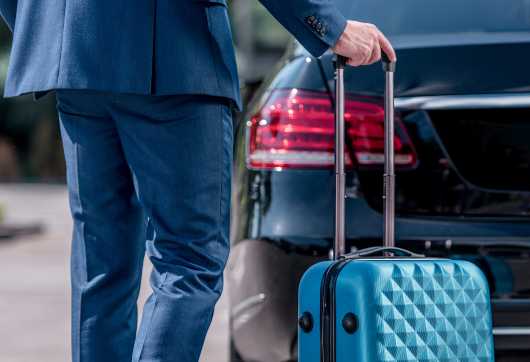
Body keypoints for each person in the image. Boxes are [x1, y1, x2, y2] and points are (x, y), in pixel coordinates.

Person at [0, 0, 394, 360]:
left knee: (101, 264)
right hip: (171, 52)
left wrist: (46, 33)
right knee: (189, 259)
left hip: (73, 54)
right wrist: (330, 27)